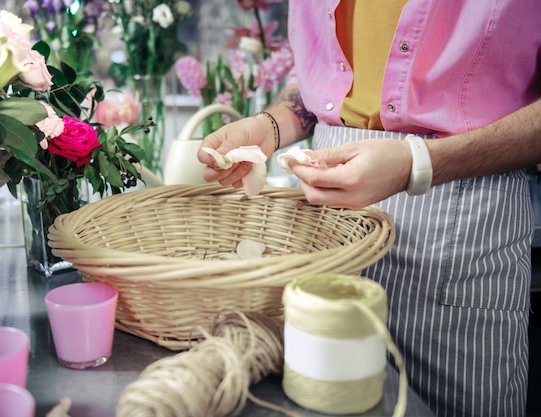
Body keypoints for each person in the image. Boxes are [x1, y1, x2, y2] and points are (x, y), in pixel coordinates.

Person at [197, 2, 541, 417]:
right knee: (323, 398)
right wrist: (270, 126)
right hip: (326, 219)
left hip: (457, 220)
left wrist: (418, 161)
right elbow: (323, 78)